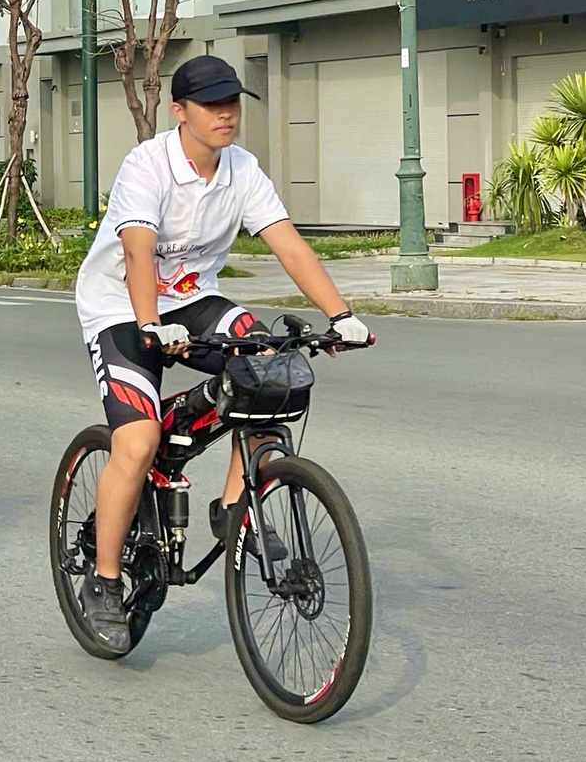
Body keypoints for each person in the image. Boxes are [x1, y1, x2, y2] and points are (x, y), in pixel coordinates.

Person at [71, 54, 372, 654]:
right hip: (121, 308)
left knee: (270, 371)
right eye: (211, 105)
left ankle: (237, 506)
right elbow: (137, 252)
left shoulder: (242, 170)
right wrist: (151, 325)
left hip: (193, 301)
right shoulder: (147, 165)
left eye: (232, 102)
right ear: (179, 112)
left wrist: (341, 316)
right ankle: (103, 581)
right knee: (138, 440)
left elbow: (288, 245)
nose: (226, 114)